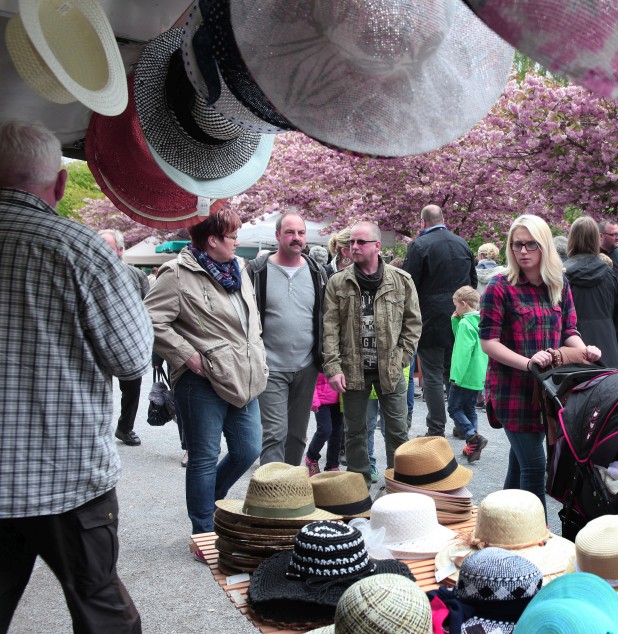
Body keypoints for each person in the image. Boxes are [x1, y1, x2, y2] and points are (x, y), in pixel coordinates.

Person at [0, 119, 149, 634]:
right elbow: (131, 360)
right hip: (68, 478)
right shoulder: (79, 250)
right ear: (61, 184)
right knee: (100, 612)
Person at [147, 206, 268, 538]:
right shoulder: (176, 273)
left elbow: (250, 319)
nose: (237, 241)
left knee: (248, 449)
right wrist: (186, 355)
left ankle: (209, 496)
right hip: (200, 381)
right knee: (203, 456)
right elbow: (151, 320)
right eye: (232, 236)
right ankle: (203, 530)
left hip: (242, 375)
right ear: (212, 240)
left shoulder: (239, 267)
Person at [480, 214, 600, 507]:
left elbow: (568, 330)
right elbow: (488, 342)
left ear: (544, 245)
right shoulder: (499, 286)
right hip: (512, 391)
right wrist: (528, 362)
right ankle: (537, 534)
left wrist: (585, 351)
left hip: (547, 391)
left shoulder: (558, 284)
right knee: (534, 468)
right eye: (517, 244)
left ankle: (499, 523)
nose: (523, 251)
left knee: (520, 465)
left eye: (531, 244)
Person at [323, 221, 421, 488]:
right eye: (352, 242)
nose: (354, 247)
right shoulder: (338, 282)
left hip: (390, 369)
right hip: (352, 370)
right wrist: (333, 367)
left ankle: (397, 485)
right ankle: (359, 486)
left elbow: (413, 324)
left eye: (361, 242)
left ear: (377, 246)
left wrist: (402, 357)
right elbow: (329, 328)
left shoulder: (401, 280)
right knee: (354, 432)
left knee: (398, 431)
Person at [247, 211, 328, 466]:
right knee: (274, 433)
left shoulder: (317, 272)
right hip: (270, 366)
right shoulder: (258, 271)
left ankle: (289, 484)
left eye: (301, 233)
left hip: (306, 366)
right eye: (290, 232)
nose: (296, 238)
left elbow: (325, 317)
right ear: (277, 235)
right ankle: (270, 487)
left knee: (297, 435)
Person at [403, 204, 476, 437]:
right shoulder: (462, 244)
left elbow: (408, 284)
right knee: (454, 372)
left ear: (423, 222)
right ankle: (462, 424)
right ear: (443, 218)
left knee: (432, 374)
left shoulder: (419, 246)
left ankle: (436, 428)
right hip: (459, 317)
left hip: (430, 319)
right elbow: (472, 283)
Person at [98, 228, 151, 447]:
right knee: (98, 389)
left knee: (132, 389)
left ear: (120, 250)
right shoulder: (88, 272)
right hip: (97, 342)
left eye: (107, 247)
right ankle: (99, 430)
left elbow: (149, 309)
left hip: (128, 343)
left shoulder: (136, 276)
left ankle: (125, 427)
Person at [564, 216, 618, 368]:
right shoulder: (609, 274)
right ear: (596, 238)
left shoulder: (563, 275)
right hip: (607, 345)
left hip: (573, 349)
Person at [448, 286, 488, 462]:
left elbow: (462, 352)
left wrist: (456, 377)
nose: (455, 308)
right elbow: (463, 340)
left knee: (454, 408)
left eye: (456, 305)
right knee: (470, 408)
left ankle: (473, 437)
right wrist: (455, 321)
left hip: (464, 376)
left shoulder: (465, 324)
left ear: (463, 304)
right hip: (477, 375)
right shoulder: (480, 321)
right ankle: (474, 447)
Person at [306, 372, 345, 475]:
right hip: (321, 402)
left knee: (337, 434)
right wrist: (314, 402)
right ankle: (311, 457)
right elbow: (310, 381)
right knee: (325, 430)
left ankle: (332, 465)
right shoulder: (316, 362)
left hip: (338, 400)